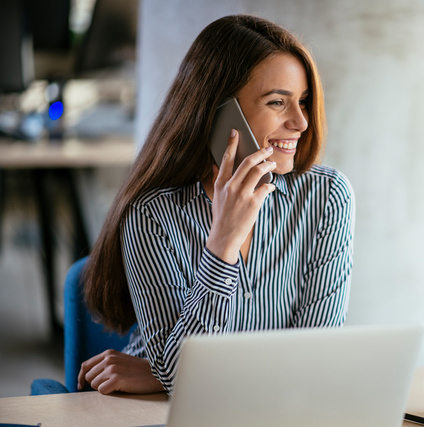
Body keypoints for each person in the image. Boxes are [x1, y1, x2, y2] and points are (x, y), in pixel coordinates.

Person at [77, 15, 354, 395]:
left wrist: (157, 375)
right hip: (153, 413)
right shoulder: (152, 214)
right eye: (278, 102)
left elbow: (315, 361)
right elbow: (182, 377)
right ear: (220, 114)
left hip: (257, 413)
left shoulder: (326, 198)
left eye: (303, 102)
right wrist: (222, 243)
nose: (301, 122)